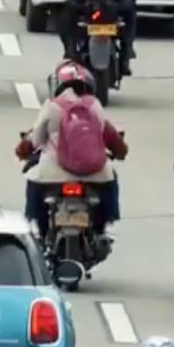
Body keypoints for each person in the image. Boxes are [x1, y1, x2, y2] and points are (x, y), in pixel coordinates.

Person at [16, 60, 127, 242]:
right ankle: (102, 228)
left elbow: (34, 139)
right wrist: (121, 151)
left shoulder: (52, 106)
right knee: (111, 179)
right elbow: (112, 137)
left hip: (53, 174)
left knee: (33, 182)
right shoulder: (95, 106)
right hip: (96, 174)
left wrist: (22, 151)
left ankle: (40, 232)